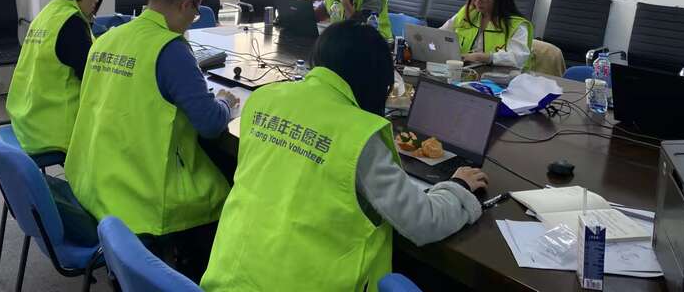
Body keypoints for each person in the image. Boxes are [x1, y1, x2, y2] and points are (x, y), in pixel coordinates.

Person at [201, 21, 487, 292]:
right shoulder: (358, 133)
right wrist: (457, 187)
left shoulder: (265, 98)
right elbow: (423, 222)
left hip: (227, 278)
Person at [64, 0, 239, 281]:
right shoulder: (170, 48)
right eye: (195, 14)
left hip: (93, 178)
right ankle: (192, 269)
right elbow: (210, 124)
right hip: (140, 196)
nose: (192, 21)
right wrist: (226, 102)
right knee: (228, 184)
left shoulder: (107, 37)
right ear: (186, 5)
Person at [6, 0, 109, 155]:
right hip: (53, 131)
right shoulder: (72, 23)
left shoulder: (49, 12)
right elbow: (93, 78)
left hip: (26, 119)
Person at [441, 0, 533, 69]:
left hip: (498, 76)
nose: (477, 1)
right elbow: (439, 34)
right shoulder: (467, 14)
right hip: (464, 71)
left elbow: (518, 58)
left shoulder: (516, 26)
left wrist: (485, 57)